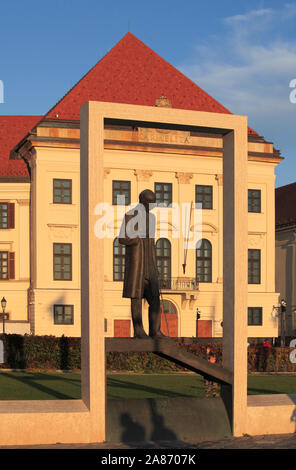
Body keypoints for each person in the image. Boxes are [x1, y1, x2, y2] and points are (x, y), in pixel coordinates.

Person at [119, 189, 165, 339]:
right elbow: (122, 238)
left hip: (149, 264)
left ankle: (155, 331)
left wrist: (155, 267)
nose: (152, 205)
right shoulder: (130, 215)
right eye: (150, 202)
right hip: (137, 263)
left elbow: (152, 244)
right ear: (143, 201)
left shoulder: (151, 218)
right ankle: (139, 330)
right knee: (136, 298)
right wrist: (137, 238)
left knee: (155, 299)